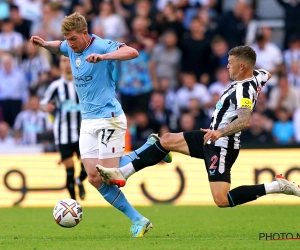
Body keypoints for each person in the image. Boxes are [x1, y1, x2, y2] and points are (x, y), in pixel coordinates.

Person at [98, 45, 300, 210]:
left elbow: (244, 121)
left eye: (230, 64)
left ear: (241, 66)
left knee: (221, 199)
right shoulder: (256, 77)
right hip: (209, 137)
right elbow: (266, 74)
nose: (227, 68)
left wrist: (220, 131)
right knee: (166, 139)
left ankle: (276, 186)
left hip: (222, 146)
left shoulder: (244, 91)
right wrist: (257, 79)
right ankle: (123, 173)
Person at [30, 12, 170, 238]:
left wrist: (104, 58)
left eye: (73, 38)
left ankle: (153, 149)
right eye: (67, 38)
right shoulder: (70, 47)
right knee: (95, 178)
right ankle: (139, 219)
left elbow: (132, 52)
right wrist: (46, 44)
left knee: (112, 175)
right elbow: (59, 46)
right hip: (88, 121)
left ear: (85, 33)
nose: (70, 43)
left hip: (109, 117)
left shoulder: (103, 45)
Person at [40, 55, 87, 201]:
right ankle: (73, 202)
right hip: (63, 134)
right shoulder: (55, 86)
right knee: (69, 170)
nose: (67, 64)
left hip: (83, 133)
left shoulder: (82, 83)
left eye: (69, 60)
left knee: (88, 168)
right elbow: (43, 103)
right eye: (63, 61)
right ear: (59, 65)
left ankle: (80, 181)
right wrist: (45, 107)